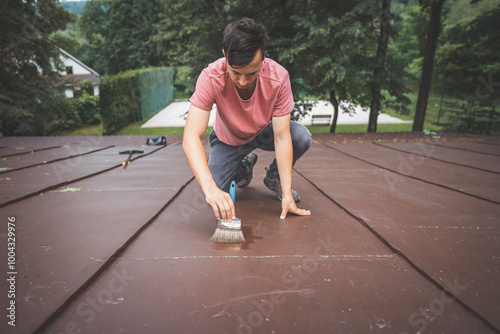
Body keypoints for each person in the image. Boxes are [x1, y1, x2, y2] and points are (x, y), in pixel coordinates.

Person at [183, 17, 311, 221]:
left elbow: (281, 137)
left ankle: (274, 178)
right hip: (228, 140)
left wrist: (287, 194)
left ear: (264, 57)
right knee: (215, 190)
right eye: (235, 72)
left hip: (263, 133)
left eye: (251, 73)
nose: (243, 81)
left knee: (301, 136)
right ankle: (244, 167)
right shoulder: (210, 77)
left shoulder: (278, 77)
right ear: (225, 56)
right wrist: (210, 189)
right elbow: (190, 137)